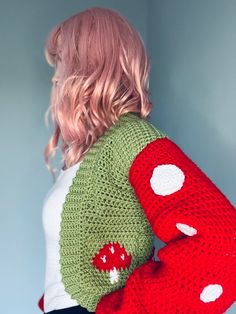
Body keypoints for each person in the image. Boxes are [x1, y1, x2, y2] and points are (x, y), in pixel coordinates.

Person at [38, 6, 236, 314]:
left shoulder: (129, 140)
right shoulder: (84, 154)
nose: (55, 79)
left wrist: (133, 308)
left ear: (88, 67)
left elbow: (223, 242)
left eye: (60, 63)